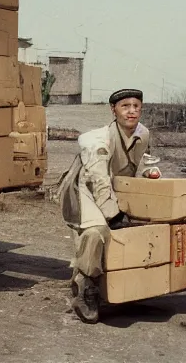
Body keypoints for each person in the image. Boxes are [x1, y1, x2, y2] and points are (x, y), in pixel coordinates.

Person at [56, 88, 161, 323]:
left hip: (112, 190)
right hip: (83, 190)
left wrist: (150, 178)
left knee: (142, 224)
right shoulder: (98, 140)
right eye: (125, 106)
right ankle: (85, 287)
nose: (132, 111)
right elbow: (99, 179)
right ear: (113, 110)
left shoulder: (143, 134)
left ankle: (128, 284)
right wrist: (113, 215)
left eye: (136, 106)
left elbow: (143, 165)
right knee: (97, 232)